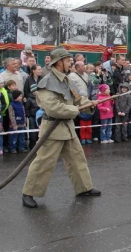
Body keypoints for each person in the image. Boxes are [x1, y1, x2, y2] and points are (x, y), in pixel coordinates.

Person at [21, 47, 101, 208]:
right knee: (44, 162)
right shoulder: (46, 82)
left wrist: (89, 104)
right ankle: (28, 193)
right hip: (52, 128)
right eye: (67, 61)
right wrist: (75, 110)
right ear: (59, 63)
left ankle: (84, 188)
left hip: (67, 127)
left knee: (77, 159)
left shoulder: (65, 80)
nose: (70, 63)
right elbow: (52, 107)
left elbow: (77, 99)